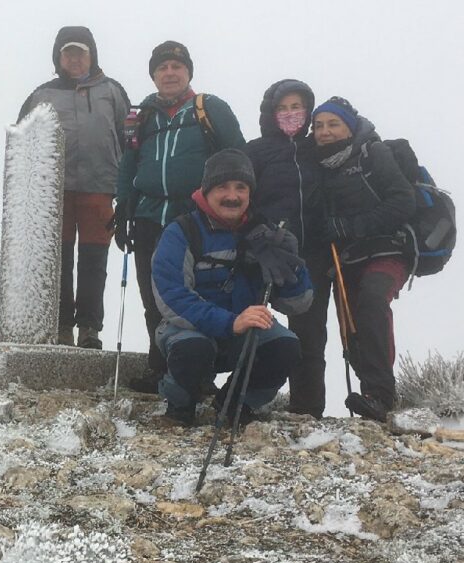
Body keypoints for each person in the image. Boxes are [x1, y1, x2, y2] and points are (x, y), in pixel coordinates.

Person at [114, 40, 246, 393]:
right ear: (154, 75)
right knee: (151, 296)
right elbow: (129, 162)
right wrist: (122, 204)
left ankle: (199, 373)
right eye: (162, 68)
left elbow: (238, 157)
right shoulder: (141, 116)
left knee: (194, 294)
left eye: (176, 66)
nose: (169, 73)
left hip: (194, 219)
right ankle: (160, 368)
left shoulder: (209, 108)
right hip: (147, 215)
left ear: (188, 72)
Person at [151, 149, 311, 426]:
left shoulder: (267, 233)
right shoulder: (181, 232)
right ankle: (180, 405)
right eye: (222, 186)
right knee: (192, 351)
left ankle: (237, 404)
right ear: (206, 190)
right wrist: (231, 322)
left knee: (286, 347)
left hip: (245, 329)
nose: (232, 196)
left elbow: (298, 304)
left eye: (241, 187)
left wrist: (293, 266)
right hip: (191, 328)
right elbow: (172, 297)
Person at [18, 26, 131, 348]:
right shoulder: (41, 95)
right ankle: (61, 327)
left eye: (81, 52)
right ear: (59, 57)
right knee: (59, 262)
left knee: (94, 260)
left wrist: (126, 185)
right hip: (54, 193)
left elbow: (131, 138)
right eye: (68, 53)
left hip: (100, 188)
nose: (75, 58)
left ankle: (90, 329)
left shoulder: (112, 91)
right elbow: (23, 144)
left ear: (92, 55)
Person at [308, 97, 416, 421]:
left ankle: (382, 394)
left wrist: (350, 226)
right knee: (351, 327)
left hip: (388, 250)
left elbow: (402, 201)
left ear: (349, 126)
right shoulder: (316, 165)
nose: (324, 132)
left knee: (371, 302)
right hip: (347, 259)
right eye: (318, 126)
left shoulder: (373, 153)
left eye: (333, 124)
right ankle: (372, 397)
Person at [242, 80, 334, 418]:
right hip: (264, 250)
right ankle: (243, 400)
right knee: (254, 325)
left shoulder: (318, 150)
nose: (291, 113)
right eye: (283, 107)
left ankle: (307, 409)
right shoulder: (256, 151)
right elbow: (241, 199)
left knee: (310, 333)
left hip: (313, 253)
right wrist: (257, 234)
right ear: (271, 112)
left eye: (297, 107)